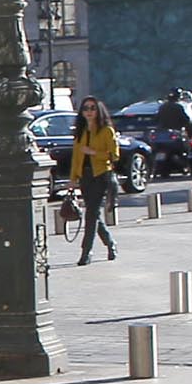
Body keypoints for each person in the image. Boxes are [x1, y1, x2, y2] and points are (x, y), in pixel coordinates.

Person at [71, 98, 123, 264]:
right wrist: (73, 178)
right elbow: (76, 158)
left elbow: (114, 155)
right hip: (85, 176)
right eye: (86, 108)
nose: (89, 111)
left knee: (91, 214)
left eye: (92, 108)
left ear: (98, 110)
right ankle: (110, 243)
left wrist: (93, 152)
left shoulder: (106, 130)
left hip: (101, 175)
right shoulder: (81, 131)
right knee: (93, 214)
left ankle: (86, 251)